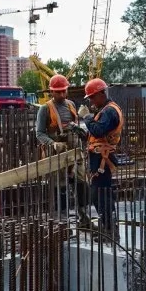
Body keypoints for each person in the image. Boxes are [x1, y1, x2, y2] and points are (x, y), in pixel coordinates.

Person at [78, 78, 124, 234]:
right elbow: (96, 134)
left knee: (101, 196)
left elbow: (98, 130)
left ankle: (110, 230)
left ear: (102, 94)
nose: (91, 101)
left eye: (92, 97)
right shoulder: (105, 110)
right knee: (100, 195)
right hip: (100, 158)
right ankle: (109, 227)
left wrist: (86, 117)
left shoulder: (109, 111)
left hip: (103, 160)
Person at [35, 74, 83, 218]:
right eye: (58, 91)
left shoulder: (71, 105)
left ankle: (82, 213)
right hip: (56, 152)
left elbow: (75, 125)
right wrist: (53, 143)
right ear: (52, 92)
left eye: (64, 91)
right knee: (59, 183)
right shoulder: (45, 109)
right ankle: (60, 216)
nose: (62, 94)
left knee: (79, 180)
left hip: (73, 149)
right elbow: (39, 133)